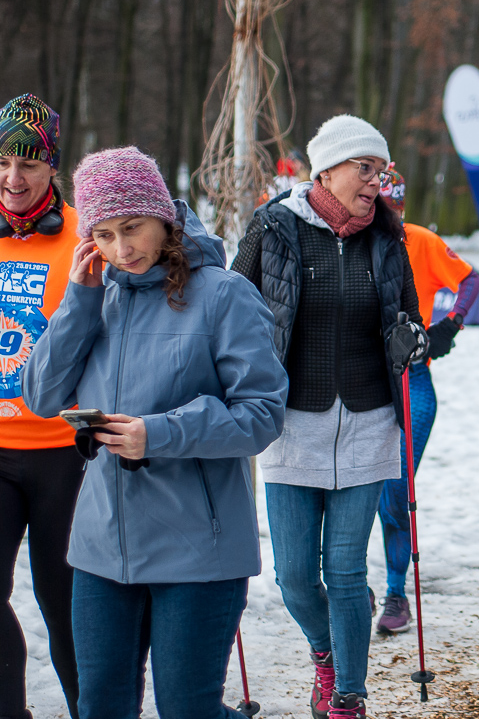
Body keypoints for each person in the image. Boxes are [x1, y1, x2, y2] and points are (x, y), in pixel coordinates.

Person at [22, 146, 288, 719]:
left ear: (164, 217)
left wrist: (160, 434)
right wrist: (79, 301)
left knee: (188, 709)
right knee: (100, 707)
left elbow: (263, 413)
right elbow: (41, 396)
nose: (122, 249)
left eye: (134, 228)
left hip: (198, 547)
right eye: (106, 233)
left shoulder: (222, 295)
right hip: (100, 548)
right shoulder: (96, 295)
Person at [231, 114, 428, 719]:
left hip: (368, 423)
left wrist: (409, 340)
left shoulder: (388, 239)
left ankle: (349, 694)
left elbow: (412, 321)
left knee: (344, 570)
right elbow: (231, 306)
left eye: (380, 171)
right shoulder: (273, 227)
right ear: (328, 170)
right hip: (291, 422)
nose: (376, 182)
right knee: (293, 576)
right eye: (365, 169)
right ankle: (326, 652)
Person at [373, 166, 479, 635]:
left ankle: (396, 592)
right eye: (381, 209)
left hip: (412, 381)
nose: (389, 219)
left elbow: (471, 281)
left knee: (396, 491)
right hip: (359, 382)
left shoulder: (419, 239)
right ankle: (353, 583)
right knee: (358, 492)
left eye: (395, 209)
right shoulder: (348, 244)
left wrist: (449, 326)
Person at [0, 95, 82, 719]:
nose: (14, 179)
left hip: (64, 453)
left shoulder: (86, 236)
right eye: (3, 161)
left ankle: (94, 708)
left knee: (66, 603)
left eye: (29, 164)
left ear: (52, 165)